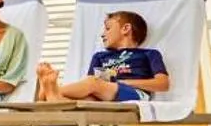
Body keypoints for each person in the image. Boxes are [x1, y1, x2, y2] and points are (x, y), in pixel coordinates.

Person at [38, 10, 170, 103]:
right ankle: (54, 97)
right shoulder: (100, 57)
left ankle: (51, 91)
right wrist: (105, 82)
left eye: (107, 28)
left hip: (135, 93)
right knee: (86, 100)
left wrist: (125, 82)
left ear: (126, 29)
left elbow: (163, 84)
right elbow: (93, 82)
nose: (102, 34)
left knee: (93, 83)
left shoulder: (148, 54)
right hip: (104, 91)